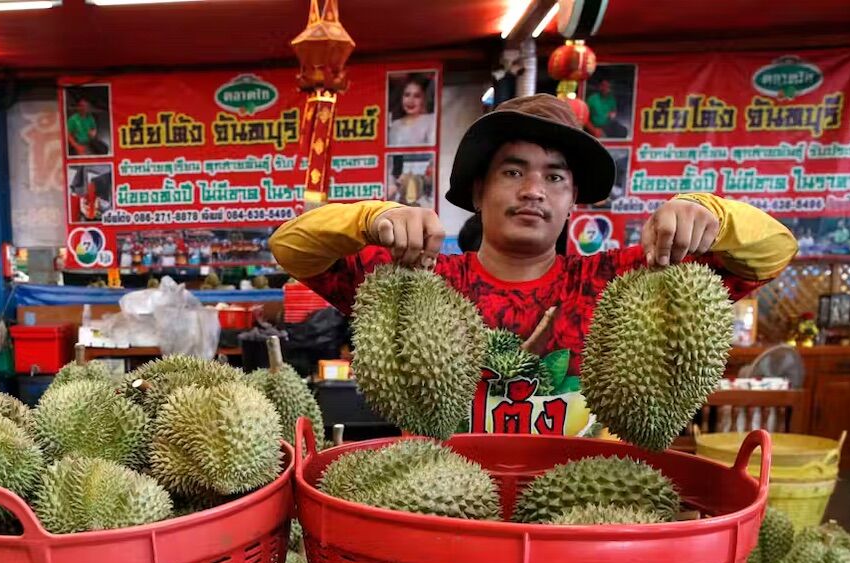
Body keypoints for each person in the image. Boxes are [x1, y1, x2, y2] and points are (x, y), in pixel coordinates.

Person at [269, 94, 797, 436]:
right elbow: (291, 248)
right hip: (439, 506)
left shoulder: (622, 282)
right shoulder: (418, 281)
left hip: (573, 512)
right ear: (478, 191)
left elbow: (774, 253)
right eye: (513, 171)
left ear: (573, 203)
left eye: (555, 178)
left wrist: (712, 214)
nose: (533, 192)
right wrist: (371, 216)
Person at [388, 73, 436, 147]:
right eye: (407, 95)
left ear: (424, 99)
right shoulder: (395, 125)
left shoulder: (432, 120)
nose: (410, 101)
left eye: (417, 96)